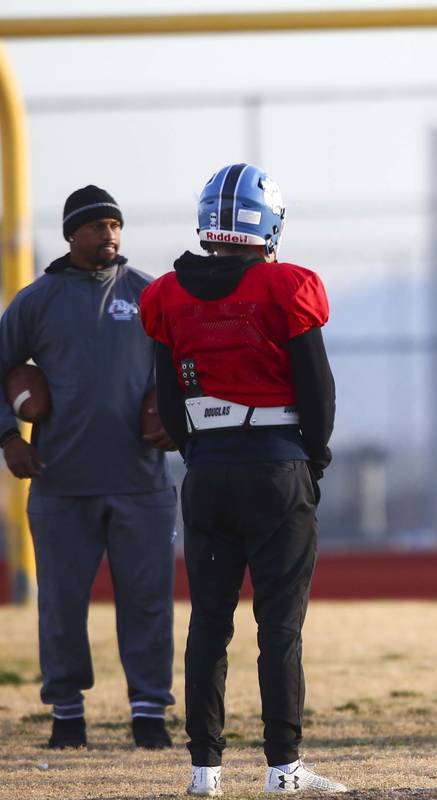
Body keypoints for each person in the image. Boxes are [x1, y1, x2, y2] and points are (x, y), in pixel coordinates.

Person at [140, 164, 343, 794]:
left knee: (209, 622)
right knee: (278, 626)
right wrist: (314, 455)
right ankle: (282, 769)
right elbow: (316, 386)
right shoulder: (288, 284)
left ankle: (206, 772)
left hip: (208, 470)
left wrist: (198, 457)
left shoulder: (167, 294)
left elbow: (169, 398)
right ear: (269, 223)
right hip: (276, 462)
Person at [0, 186, 177, 751]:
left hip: (140, 482)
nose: (110, 235)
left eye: (115, 225)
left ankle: (149, 714)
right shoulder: (38, 299)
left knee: (148, 601)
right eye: (98, 226)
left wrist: (176, 415)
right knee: (60, 606)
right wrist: (9, 436)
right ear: (71, 234)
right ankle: (67, 716)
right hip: (60, 481)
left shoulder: (149, 294)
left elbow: (186, 365)